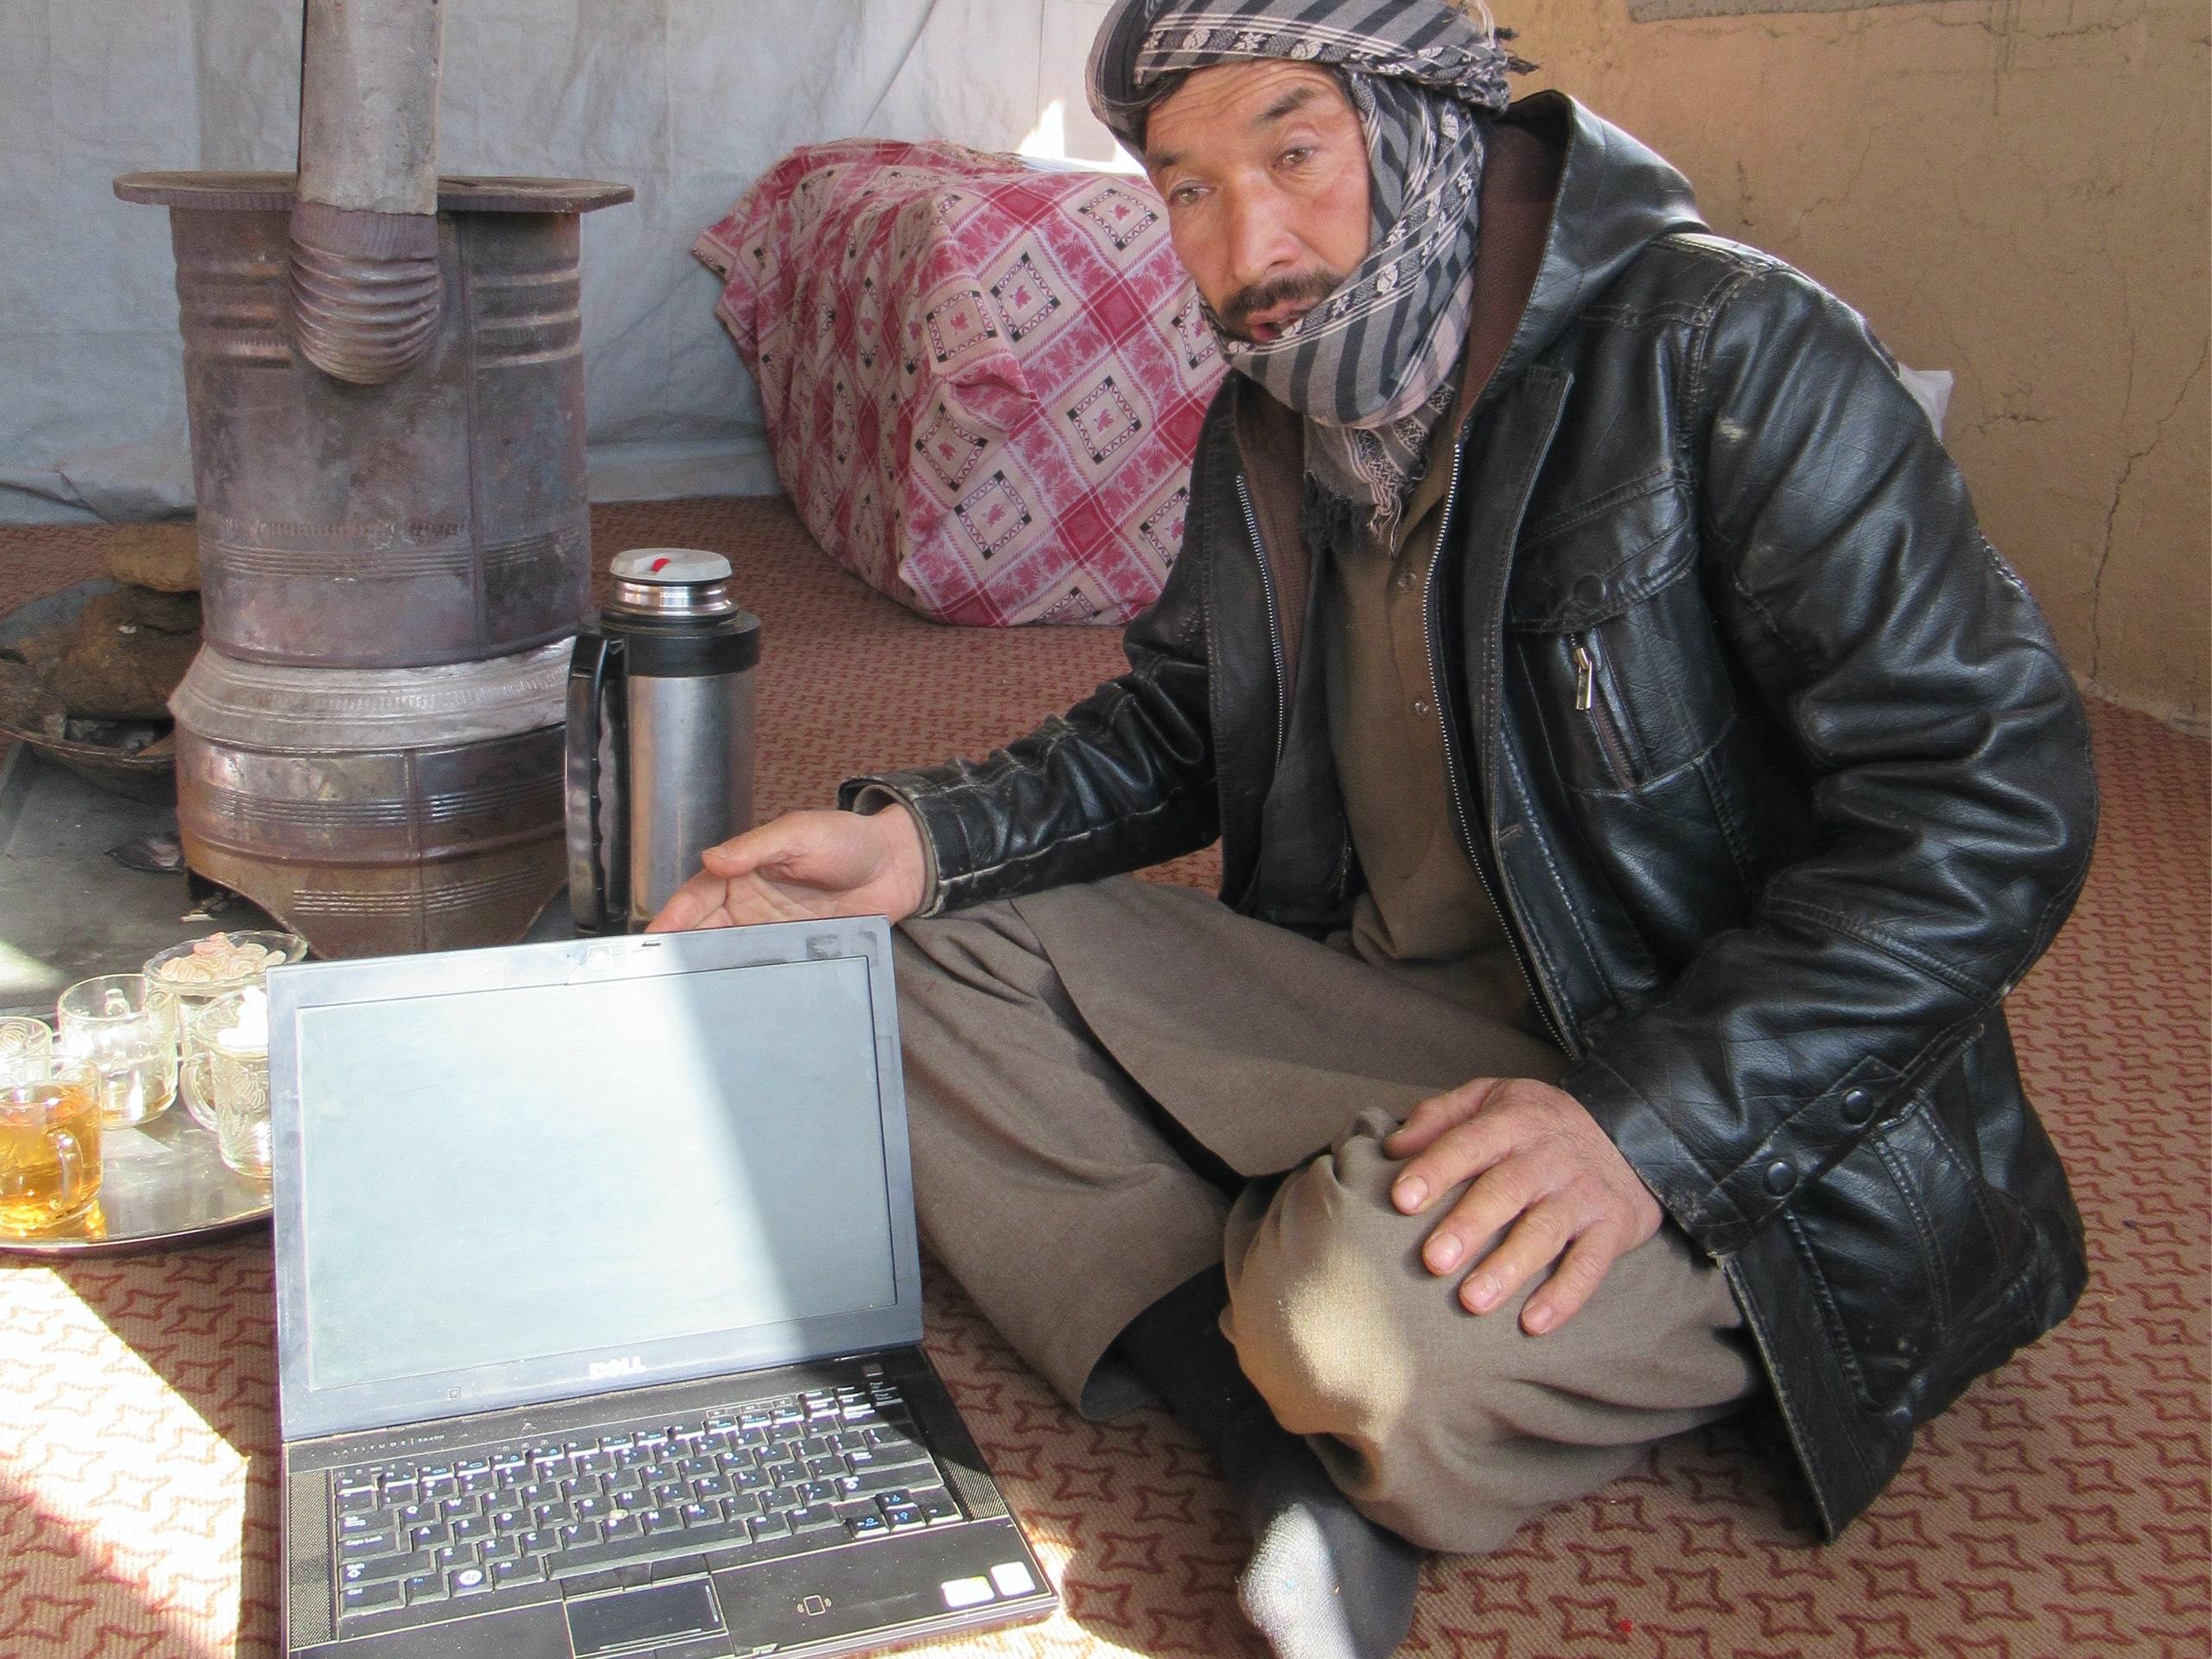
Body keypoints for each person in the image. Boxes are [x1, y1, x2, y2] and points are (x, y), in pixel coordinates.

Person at [654, 2, 2097, 1654]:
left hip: (1721, 1093)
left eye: (1294, 150)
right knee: (890, 962)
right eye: (1186, 187)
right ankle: (1261, 1420)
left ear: (1428, 127)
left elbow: (1994, 805)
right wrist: (921, 840)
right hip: (1395, 1007)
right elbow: (1191, 725)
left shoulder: (1730, 349)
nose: (1247, 243)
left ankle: (1298, 1311)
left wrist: (1645, 1129)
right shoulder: (1275, 417)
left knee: (1362, 1335)